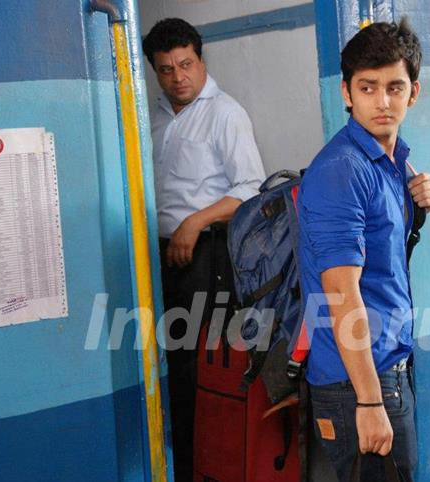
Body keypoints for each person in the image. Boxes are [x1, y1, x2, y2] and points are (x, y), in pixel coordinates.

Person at [297, 18, 430, 482]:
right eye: (368, 87)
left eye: (394, 88)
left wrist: (417, 210)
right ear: (346, 92)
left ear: (413, 92)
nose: (382, 102)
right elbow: (342, 294)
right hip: (359, 381)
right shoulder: (343, 170)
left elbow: (382, 263)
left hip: (383, 370)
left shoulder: (390, 162)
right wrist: (370, 400)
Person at [142, 18, 266, 481]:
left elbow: (251, 190)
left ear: (201, 59)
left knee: (196, 367)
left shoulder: (224, 113)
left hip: (207, 258)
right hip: (158, 257)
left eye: (186, 65)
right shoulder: (152, 114)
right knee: (166, 362)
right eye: (166, 69)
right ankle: (174, 463)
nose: (178, 77)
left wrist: (195, 222)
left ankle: (202, 467)